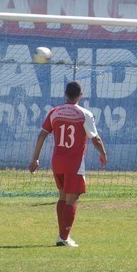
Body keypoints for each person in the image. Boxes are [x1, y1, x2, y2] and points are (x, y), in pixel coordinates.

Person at [29, 81, 107, 247]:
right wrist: (103, 153)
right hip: (74, 163)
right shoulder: (85, 114)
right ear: (81, 95)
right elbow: (96, 139)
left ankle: (62, 235)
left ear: (65, 94)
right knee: (72, 199)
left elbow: (42, 135)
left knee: (63, 197)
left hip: (57, 162)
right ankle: (64, 238)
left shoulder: (54, 112)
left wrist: (35, 158)